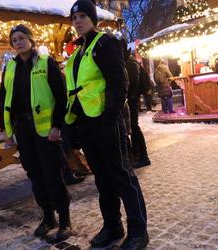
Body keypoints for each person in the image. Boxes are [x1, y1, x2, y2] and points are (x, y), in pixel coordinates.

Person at [66, 1, 149, 249]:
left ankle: (138, 231)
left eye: (83, 16)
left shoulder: (105, 42)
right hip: (87, 124)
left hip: (107, 121)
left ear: (93, 19)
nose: (78, 21)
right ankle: (112, 226)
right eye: (74, 17)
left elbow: (118, 81)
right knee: (102, 179)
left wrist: (109, 114)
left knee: (122, 176)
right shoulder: (78, 52)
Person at [0, 24, 71, 241]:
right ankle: (48, 217)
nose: (18, 43)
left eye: (21, 38)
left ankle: (65, 219)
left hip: (46, 131)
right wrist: (6, 130)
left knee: (53, 175)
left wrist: (57, 126)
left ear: (31, 39)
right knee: (35, 175)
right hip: (23, 130)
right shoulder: (9, 68)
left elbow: (61, 96)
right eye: (14, 40)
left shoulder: (46, 63)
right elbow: (3, 100)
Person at [122, 45, 151, 168]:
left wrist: (130, 96)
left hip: (131, 100)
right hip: (131, 99)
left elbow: (132, 82)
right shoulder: (128, 60)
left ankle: (143, 156)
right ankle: (136, 155)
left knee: (133, 127)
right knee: (132, 127)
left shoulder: (129, 61)